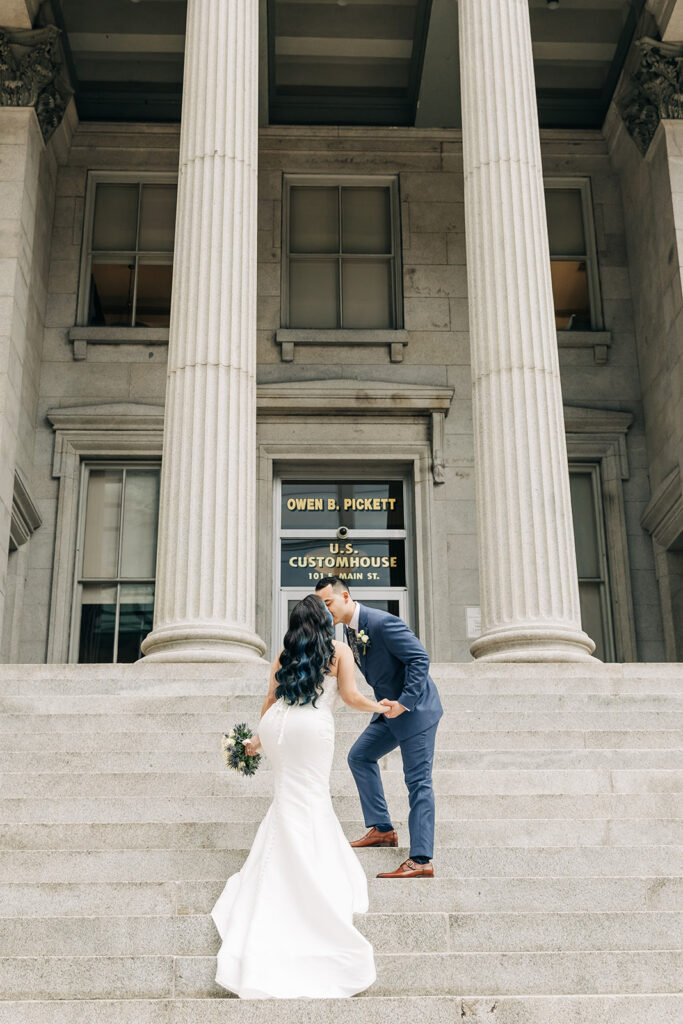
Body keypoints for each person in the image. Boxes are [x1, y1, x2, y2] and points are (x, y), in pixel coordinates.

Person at [211, 593, 386, 999]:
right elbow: (350, 697)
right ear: (326, 619)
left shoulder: (286, 651)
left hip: (279, 727)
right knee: (312, 797)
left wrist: (256, 739)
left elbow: (270, 700)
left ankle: (281, 862)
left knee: (289, 796)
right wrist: (382, 706)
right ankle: (308, 869)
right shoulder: (338, 650)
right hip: (312, 728)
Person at [315, 576, 443, 879]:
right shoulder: (348, 631)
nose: (324, 610)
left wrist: (405, 701)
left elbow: (419, 659)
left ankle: (421, 859)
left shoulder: (383, 623)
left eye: (328, 603)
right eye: (320, 605)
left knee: (418, 782)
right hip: (387, 712)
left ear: (345, 597)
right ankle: (382, 829)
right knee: (359, 756)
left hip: (415, 711)